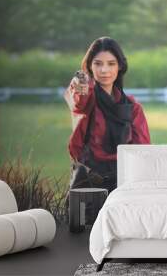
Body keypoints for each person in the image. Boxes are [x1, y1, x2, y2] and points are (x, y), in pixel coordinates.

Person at [64, 37, 151, 193]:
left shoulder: (132, 107)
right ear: (90, 66)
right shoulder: (87, 98)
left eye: (111, 64)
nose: (104, 70)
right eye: (98, 64)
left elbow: (143, 152)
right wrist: (81, 79)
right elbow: (78, 101)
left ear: (120, 67)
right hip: (89, 181)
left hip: (123, 183)